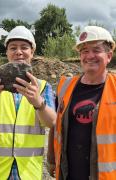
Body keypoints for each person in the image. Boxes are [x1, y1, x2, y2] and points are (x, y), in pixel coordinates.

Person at [0, 25, 56, 180]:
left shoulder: (43, 87)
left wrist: (38, 103)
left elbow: (52, 123)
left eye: (24, 47)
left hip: (28, 172)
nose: (18, 52)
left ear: (32, 52)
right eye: (13, 48)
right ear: (7, 52)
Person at [47, 25, 116, 180]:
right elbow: (56, 125)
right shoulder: (65, 86)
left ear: (109, 56)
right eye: (84, 51)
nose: (90, 56)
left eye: (96, 50)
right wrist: (51, 159)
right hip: (69, 174)